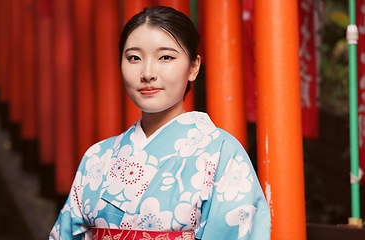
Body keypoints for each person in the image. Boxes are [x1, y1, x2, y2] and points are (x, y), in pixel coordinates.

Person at [49, 6, 270, 240]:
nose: (147, 72)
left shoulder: (221, 153)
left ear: (193, 67)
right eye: (134, 58)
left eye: (166, 57)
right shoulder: (97, 157)